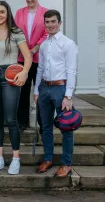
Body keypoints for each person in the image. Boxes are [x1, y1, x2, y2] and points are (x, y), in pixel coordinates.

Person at [0, 1, 32, 175]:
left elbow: (27, 56)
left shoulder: (16, 32)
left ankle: (16, 159)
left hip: (11, 76)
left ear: (7, 13)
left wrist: (24, 73)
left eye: (2, 12)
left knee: (11, 120)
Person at [33, 9, 78, 178]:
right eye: (47, 22)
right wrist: (36, 89)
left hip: (61, 89)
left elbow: (71, 70)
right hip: (44, 88)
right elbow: (40, 69)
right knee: (45, 127)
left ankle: (66, 164)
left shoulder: (68, 44)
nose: (50, 25)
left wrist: (68, 96)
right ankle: (48, 158)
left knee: (67, 128)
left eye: (53, 22)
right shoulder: (44, 45)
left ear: (60, 23)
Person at [14, 0, 48, 132]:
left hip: (38, 57)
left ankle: (42, 123)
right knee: (22, 91)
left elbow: (47, 33)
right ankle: (22, 121)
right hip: (22, 58)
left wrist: (35, 48)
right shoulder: (19, 12)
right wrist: (23, 49)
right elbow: (14, 31)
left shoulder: (45, 12)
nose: (29, 0)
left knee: (40, 91)